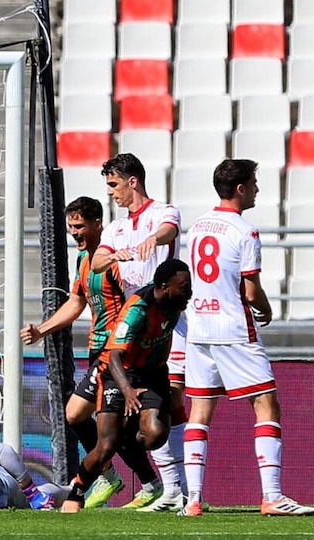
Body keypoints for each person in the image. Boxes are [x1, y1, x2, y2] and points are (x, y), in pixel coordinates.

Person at [182, 159, 314, 517]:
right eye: (254, 183)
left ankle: (192, 499)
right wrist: (268, 310)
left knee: (199, 411)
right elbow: (251, 291)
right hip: (233, 329)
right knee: (266, 404)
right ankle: (272, 496)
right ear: (240, 188)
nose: (257, 189)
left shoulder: (196, 227)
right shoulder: (245, 230)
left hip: (198, 329)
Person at [20, 197, 161, 510]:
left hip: (114, 353)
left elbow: (133, 302)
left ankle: (113, 477)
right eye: (71, 227)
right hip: (98, 350)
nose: (75, 233)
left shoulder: (112, 261)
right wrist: (42, 330)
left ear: (99, 224)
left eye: (80, 226)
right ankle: (142, 481)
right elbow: (76, 302)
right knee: (106, 429)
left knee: (78, 415)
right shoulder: (84, 259)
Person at [89, 153, 189, 512]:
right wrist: (118, 256)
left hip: (169, 319)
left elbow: (169, 231)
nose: (111, 193)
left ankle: (180, 490)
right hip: (136, 321)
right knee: (155, 409)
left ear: (133, 181)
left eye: (114, 184)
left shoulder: (163, 212)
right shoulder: (116, 229)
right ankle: (174, 490)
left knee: (173, 401)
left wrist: (154, 241)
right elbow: (98, 260)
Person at [62, 259, 193, 514]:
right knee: (104, 447)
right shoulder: (137, 310)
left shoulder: (175, 304)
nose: (189, 292)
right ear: (165, 287)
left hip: (153, 375)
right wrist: (128, 392)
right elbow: (113, 357)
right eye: (184, 287)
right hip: (117, 374)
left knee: (155, 434)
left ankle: (125, 442)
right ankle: (77, 492)